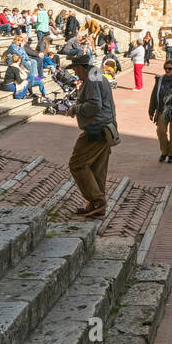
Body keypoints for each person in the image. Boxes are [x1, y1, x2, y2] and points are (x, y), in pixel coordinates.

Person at [66, 53, 118, 219]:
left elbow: (95, 104)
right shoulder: (97, 76)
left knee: (77, 164)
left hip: (97, 128)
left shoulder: (92, 79)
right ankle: (97, 205)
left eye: (75, 68)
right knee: (97, 168)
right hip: (106, 126)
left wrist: (76, 109)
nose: (75, 72)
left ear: (82, 67)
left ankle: (97, 200)